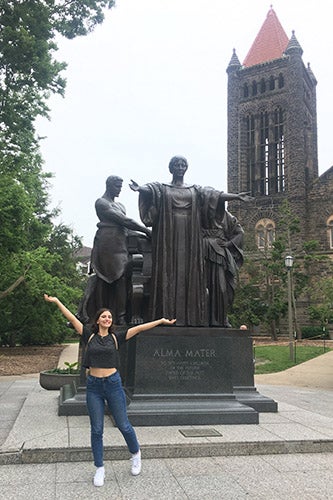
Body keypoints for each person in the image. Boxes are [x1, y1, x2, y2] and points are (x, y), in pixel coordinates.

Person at [44, 293, 176, 487]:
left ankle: (135, 453)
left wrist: (161, 321)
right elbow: (72, 318)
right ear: (97, 320)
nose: (107, 319)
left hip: (113, 384)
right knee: (97, 429)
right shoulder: (89, 336)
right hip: (94, 387)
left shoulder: (117, 337)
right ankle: (99, 468)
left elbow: (139, 328)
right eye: (104, 316)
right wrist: (56, 302)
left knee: (123, 424)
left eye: (110, 317)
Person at [129, 156, 252, 326]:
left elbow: (214, 195)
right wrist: (140, 188)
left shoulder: (195, 190)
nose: (180, 167)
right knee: (168, 272)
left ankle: (191, 318)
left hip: (190, 238)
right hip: (168, 236)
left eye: (183, 165)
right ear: (171, 168)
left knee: (190, 274)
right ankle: (165, 315)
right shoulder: (163, 188)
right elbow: (150, 189)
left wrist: (236, 197)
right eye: (177, 165)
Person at [82, 175, 151, 325]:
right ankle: (99, 316)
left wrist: (145, 235)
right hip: (106, 244)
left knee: (121, 278)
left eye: (120, 187)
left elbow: (126, 228)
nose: (119, 190)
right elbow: (124, 220)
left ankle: (121, 316)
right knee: (104, 280)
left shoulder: (121, 206)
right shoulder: (101, 203)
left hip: (120, 244)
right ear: (108, 186)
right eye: (117, 187)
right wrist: (146, 230)